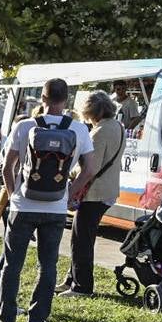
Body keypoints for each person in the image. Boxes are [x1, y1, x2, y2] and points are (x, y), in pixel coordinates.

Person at [0, 78, 94, 322]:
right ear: (67, 100)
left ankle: (7, 318)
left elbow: (8, 167)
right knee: (48, 265)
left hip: (23, 205)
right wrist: (69, 192)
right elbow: (90, 169)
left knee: (12, 263)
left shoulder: (25, 125)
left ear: (42, 97)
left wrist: (13, 193)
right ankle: (37, 320)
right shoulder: (80, 130)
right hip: (56, 207)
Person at [60, 90, 126, 298]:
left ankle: (82, 286)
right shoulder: (118, 127)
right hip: (107, 190)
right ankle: (72, 279)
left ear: (90, 111)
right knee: (82, 237)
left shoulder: (99, 132)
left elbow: (90, 169)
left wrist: (71, 189)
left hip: (94, 193)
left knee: (81, 240)